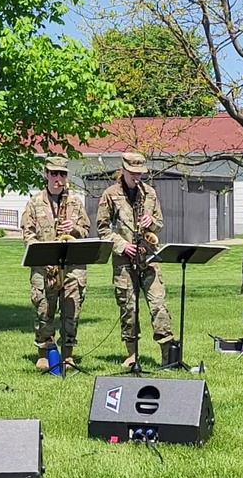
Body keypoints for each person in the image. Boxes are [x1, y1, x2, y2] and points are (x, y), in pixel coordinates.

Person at [96, 152, 174, 368]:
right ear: (123, 171)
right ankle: (132, 353)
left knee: (158, 304)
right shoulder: (110, 194)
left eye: (140, 174)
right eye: (133, 174)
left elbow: (160, 222)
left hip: (149, 257)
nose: (137, 177)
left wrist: (152, 222)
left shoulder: (150, 193)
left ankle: (167, 353)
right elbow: (102, 229)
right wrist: (122, 245)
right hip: (124, 260)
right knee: (128, 307)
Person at [20, 155, 91, 371]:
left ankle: (68, 353)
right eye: (54, 173)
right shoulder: (34, 202)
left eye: (62, 174)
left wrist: (74, 229)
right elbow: (28, 233)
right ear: (46, 174)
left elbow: (86, 230)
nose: (58, 178)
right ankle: (45, 351)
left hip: (71, 267)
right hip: (45, 267)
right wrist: (42, 254)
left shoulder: (75, 202)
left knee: (72, 309)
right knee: (44, 309)